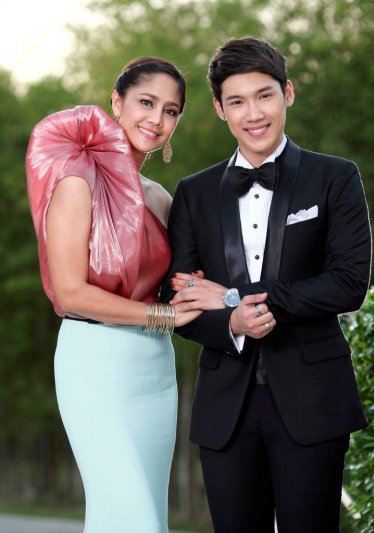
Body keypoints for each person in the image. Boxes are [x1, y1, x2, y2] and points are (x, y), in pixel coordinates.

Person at [161, 37, 372, 532]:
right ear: (220, 109)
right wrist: (231, 322)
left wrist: (234, 298)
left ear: (287, 93)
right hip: (225, 408)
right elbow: (178, 299)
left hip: (314, 399)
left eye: (264, 96)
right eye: (237, 101)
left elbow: (348, 284)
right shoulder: (192, 193)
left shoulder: (336, 177)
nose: (253, 114)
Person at [26, 57, 200, 533]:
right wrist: (165, 317)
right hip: (94, 363)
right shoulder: (77, 178)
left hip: (155, 372)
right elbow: (71, 293)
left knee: (141, 518)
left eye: (170, 111)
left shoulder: (160, 198)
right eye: (146, 102)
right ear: (116, 102)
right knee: (133, 519)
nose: (157, 119)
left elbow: (185, 281)